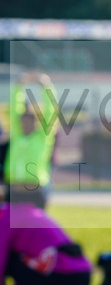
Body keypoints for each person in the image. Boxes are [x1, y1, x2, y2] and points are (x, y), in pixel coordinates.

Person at [1, 203, 92, 285]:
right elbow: (23, 276)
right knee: (29, 262)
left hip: (58, 277)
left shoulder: (5, 219)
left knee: (9, 261)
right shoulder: (34, 212)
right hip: (82, 276)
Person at [4, 72, 59, 209]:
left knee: (35, 226)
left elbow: (50, 113)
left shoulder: (42, 138)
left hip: (36, 189)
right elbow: (15, 110)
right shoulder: (17, 136)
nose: (24, 124)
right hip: (14, 188)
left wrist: (47, 87)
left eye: (28, 122)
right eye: (22, 121)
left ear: (34, 123)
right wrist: (19, 86)